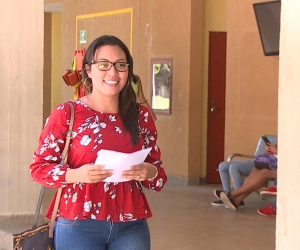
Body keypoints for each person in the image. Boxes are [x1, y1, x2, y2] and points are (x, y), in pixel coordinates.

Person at [29, 35, 167, 250]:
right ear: (88, 71)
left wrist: (148, 171)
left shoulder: (141, 116)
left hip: (131, 225)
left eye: (120, 65)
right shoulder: (67, 113)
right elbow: (39, 168)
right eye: (103, 64)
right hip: (78, 224)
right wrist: (76, 174)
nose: (113, 72)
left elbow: (158, 177)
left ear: (128, 71)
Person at [219, 143, 278, 210]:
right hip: (273, 162)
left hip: (282, 166)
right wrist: (271, 149)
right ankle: (236, 200)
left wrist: (277, 151)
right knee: (256, 169)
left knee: (264, 172)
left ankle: (232, 194)